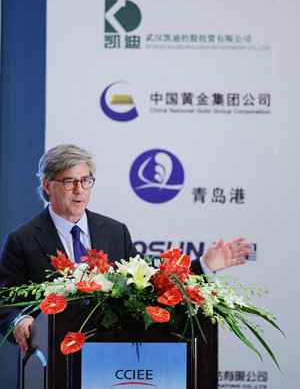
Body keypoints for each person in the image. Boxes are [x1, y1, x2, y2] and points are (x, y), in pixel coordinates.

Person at [0, 144, 250, 354]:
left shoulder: (114, 231)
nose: (79, 190)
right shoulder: (21, 240)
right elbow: (4, 304)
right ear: (47, 186)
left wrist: (204, 266)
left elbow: (150, 285)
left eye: (86, 181)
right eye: (69, 182)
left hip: (112, 351)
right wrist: (18, 321)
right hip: (54, 354)